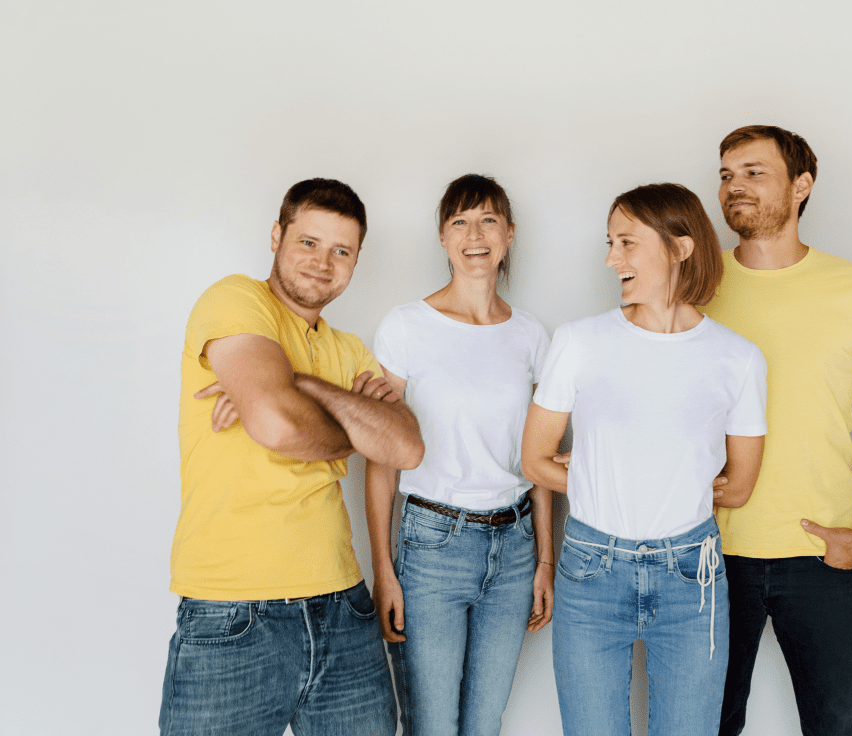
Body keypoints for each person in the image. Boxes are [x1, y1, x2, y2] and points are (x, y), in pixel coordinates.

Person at [159, 178, 424, 735]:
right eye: (308, 242)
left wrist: (300, 383)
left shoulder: (346, 348)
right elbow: (277, 426)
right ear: (277, 236)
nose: (323, 262)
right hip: (234, 614)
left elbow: (404, 446)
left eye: (341, 251)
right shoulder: (235, 300)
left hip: (343, 607)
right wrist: (353, 424)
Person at [522, 183, 768, 736]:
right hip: (590, 568)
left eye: (627, 242)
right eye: (611, 243)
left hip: (692, 576)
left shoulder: (738, 359)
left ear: (681, 246)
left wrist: (661, 483)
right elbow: (535, 459)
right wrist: (607, 478)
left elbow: (740, 484)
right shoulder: (578, 342)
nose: (612, 259)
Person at [705, 125, 852, 736]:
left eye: (753, 172)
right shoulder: (697, 290)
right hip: (708, 553)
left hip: (824, 552)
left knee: (839, 727)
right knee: (704, 725)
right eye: (725, 174)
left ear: (802, 185)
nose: (734, 186)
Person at [365, 174, 555, 736]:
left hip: (515, 548)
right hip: (432, 547)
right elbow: (381, 456)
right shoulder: (405, 327)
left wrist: (545, 560)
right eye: (460, 222)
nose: (475, 235)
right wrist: (384, 568)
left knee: (484, 723)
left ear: (510, 234)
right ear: (444, 239)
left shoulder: (530, 336)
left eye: (488, 220)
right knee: (433, 725)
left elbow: (539, 458)